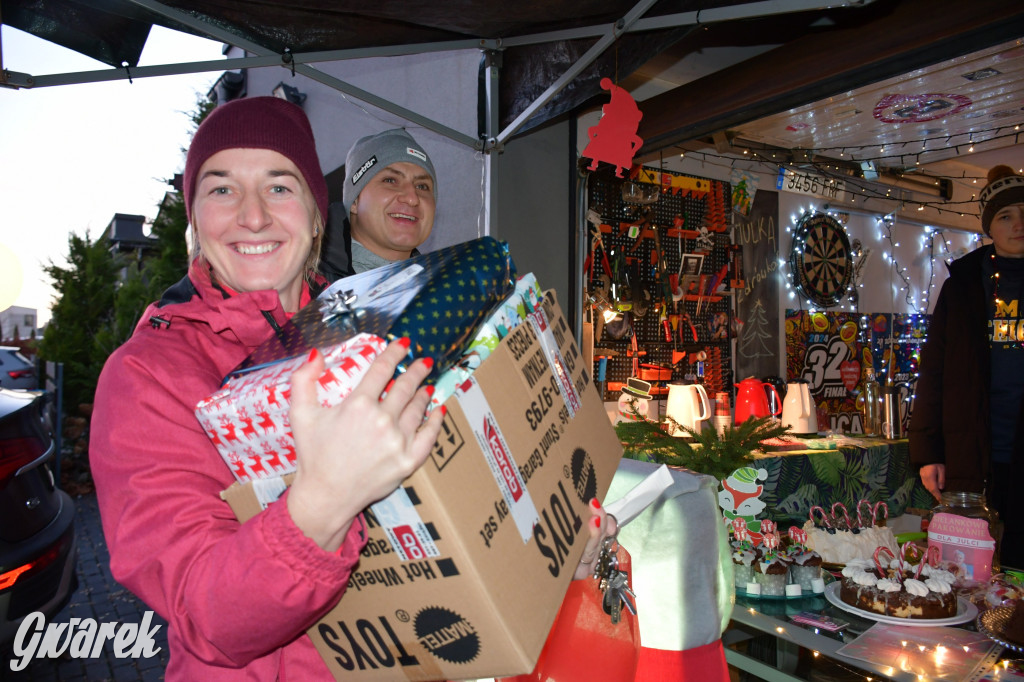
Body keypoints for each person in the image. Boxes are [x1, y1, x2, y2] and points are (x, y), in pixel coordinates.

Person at [91, 96, 615, 680]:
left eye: (279, 187)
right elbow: (203, 611)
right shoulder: (148, 375)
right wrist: (323, 502)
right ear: (195, 218)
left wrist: (554, 553)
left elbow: (455, 510)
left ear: (316, 216)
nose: (255, 216)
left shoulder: (370, 320)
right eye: (221, 189)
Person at [909, 164, 1024, 568]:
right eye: (1006, 216)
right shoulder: (962, 286)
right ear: (990, 225)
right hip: (973, 453)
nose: (1018, 225)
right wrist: (928, 453)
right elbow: (934, 372)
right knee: (970, 573)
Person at [319, 127, 437, 279]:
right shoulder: (300, 282)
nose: (412, 198)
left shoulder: (447, 289)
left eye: (422, 186)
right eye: (390, 180)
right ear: (354, 201)